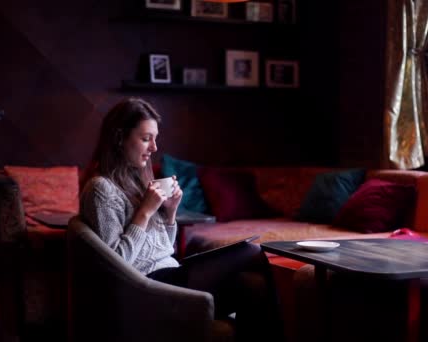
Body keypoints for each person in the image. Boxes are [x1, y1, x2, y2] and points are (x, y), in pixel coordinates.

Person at [79, 97, 283, 341]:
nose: (154, 147)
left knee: (254, 285)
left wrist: (170, 212)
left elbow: (166, 250)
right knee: (249, 252)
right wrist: (144, 212)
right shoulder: (101, 189)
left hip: (171, 274)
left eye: (155, 138)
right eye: (146, 139)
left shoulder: (136, 182)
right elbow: (115, 264)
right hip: (147, 287)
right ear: (120, 138)